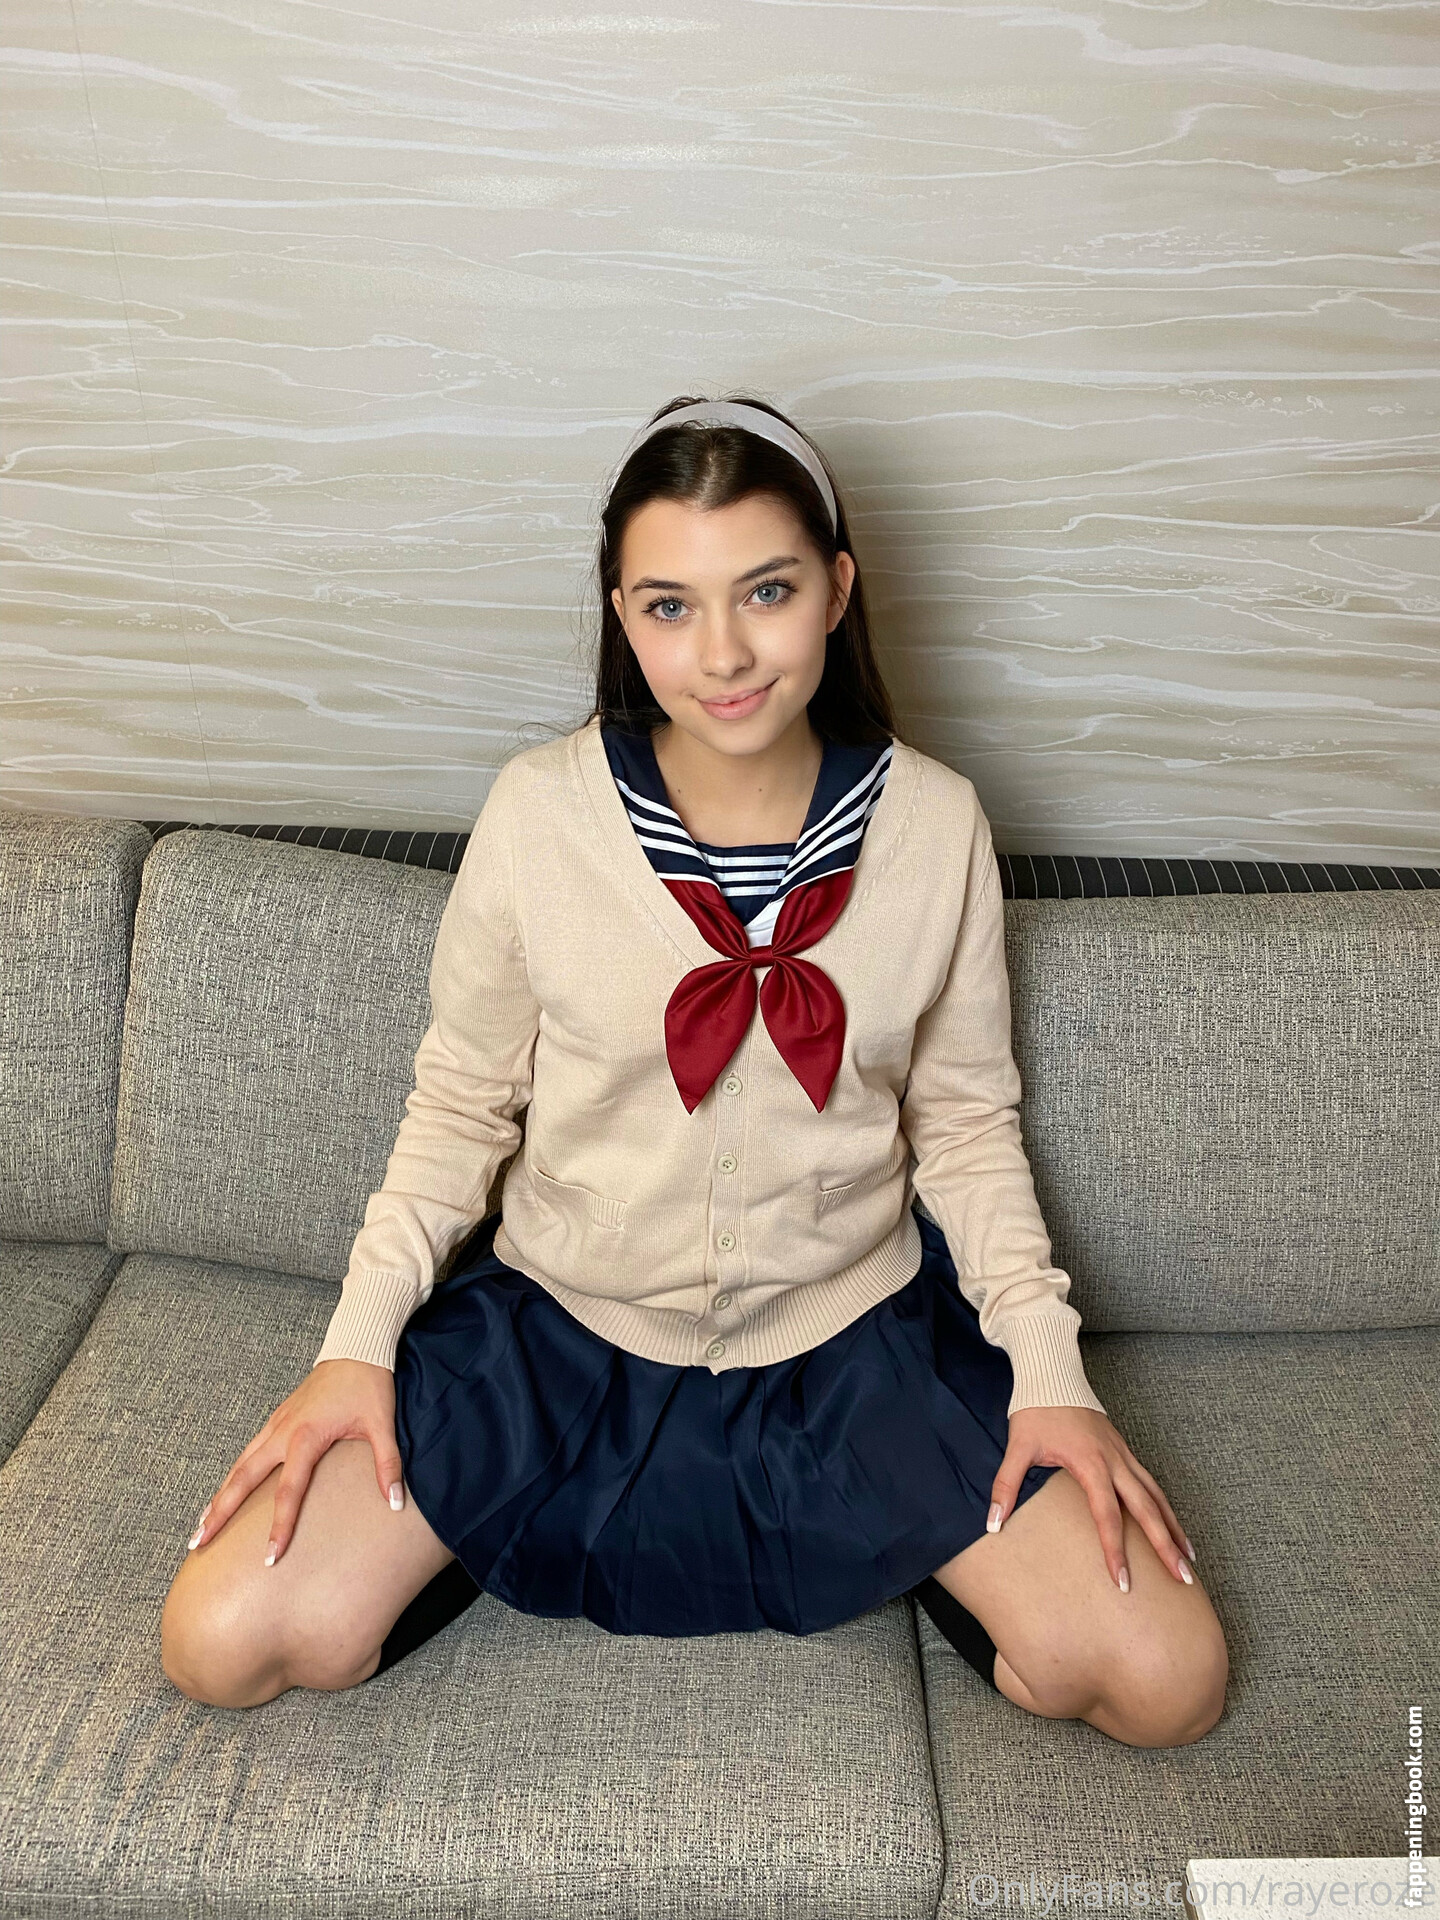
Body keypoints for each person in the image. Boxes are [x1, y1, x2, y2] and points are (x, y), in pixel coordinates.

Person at [160, 394, 1229, 1747]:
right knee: (222, 1640)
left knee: (1165, 1681)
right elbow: (460, 1108)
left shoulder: (938, 825)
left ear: (837, 590)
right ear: (622, 615)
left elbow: (966, 1127)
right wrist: (355, 1349)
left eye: (766, 591)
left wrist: (1052, 1374)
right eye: (669, 606)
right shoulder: (538, 815)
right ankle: (495, 1524)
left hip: (853, 1342)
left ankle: (902, 1532)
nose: (722, 654)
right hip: (560, 1333)